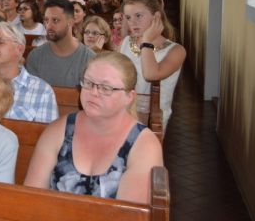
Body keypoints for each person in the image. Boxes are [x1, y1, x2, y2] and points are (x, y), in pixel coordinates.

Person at [24, 52, 163, 203]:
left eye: (106, 88)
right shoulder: (59, 131)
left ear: (129, 97)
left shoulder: (144, 145)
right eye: (88, 83)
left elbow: (130, 215)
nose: (94, 93)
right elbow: (32, 198)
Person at [120, 0, 185, 130]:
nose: (133, 22)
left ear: (156, 17)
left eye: (139, 16)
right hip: (123, 113)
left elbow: (150, 74)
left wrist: (147, 41)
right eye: (128, 17)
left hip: (153, 120)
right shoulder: (126, 42)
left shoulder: (176, 51)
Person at [26, 0, 96, 88]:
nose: (49, 26)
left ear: (70, 22)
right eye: (46, 20)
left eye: (55, 20)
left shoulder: (89, 59)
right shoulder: (35, 56)